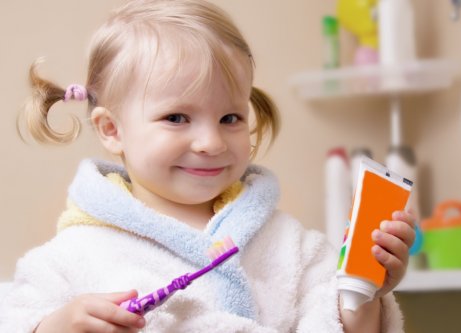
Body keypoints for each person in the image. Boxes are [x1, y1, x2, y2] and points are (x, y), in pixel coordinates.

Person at [0, 0, 415, 332]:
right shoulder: (73, 255)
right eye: (177, 118)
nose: (212, 143)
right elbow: (18, 318)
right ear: (111, 129)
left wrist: (363, 295)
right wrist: (55, 326)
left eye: (230, 119)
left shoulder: (292, 247)